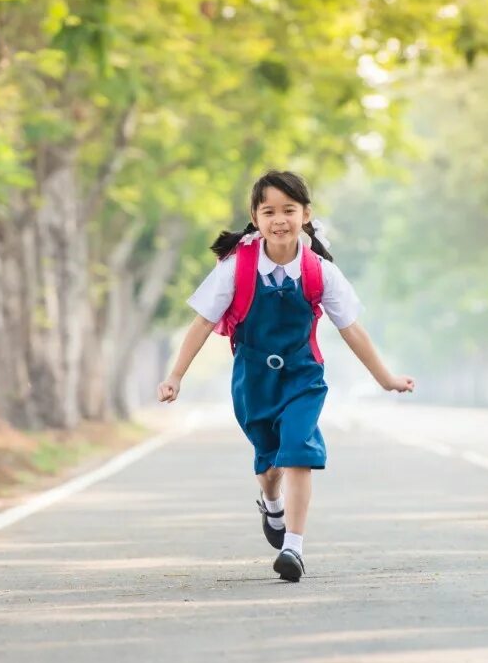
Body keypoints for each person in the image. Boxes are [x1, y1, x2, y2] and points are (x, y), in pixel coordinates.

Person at [157, 170, 415, 582]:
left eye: (289, 210)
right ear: (256, 218)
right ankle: (270, 501)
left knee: (298, 449)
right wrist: (175, 376)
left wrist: (386, 379)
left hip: (302, 376)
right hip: (253, 380)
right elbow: (202, 323)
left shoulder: (320, 271)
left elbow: (352, 328)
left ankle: (293, 548)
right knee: (268, 463)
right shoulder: (235, 268)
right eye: (269, 211)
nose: (280, 220)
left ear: (305, 214)